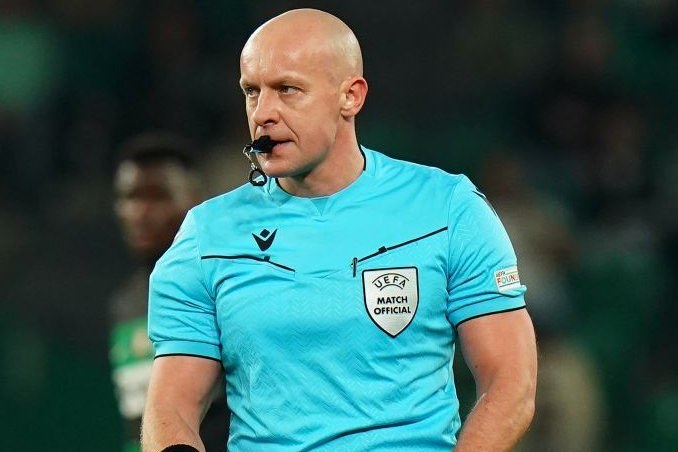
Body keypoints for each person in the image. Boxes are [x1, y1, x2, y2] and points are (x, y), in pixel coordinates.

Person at [142, 9, 537, 452]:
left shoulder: (447, 209)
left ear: (350, 96)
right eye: (252, 91)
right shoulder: (206, 236)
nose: (263, 113)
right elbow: (171, 408)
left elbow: (511, 383)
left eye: (287, 90)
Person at [110, 132, 229, 452]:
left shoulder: (222, 289)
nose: (140, 212)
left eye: (158, 196)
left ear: (195, 201)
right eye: (130, 197)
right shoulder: (125, 303)